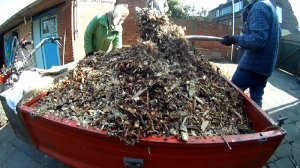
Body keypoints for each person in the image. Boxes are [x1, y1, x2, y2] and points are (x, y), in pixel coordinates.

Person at [220, 0, 281, 107]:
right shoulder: (270, 6)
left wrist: (233, 39)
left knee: (230, 94)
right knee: (256, 101)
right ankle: (259, 123)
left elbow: (258, 40)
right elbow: (277, 35)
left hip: (252, 67)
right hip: (266, 67)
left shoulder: (259, 7)